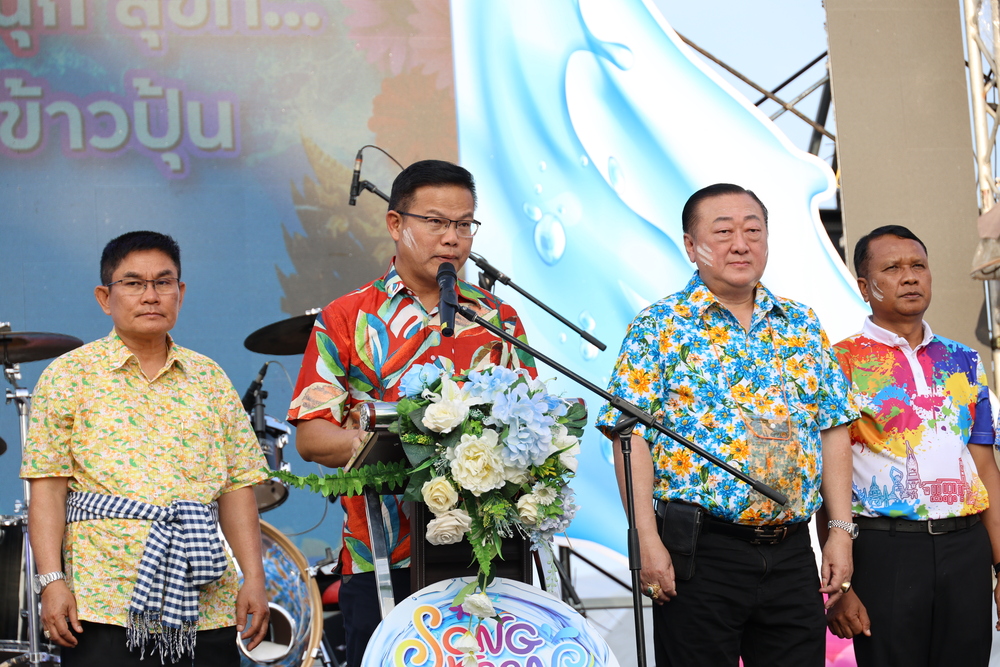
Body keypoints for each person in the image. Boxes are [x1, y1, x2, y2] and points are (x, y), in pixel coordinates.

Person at [595, 183, 858, 667]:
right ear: (691, 246)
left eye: (753, 231)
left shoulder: (800, 323)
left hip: (790, 551)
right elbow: (629, 436)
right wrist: (646, 540)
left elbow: (833, 428)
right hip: (700, 553)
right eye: (723, 233)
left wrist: (839, 531)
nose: (741, 244)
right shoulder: (660, 326)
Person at [287, 159, 535, 667]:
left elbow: (532, 424)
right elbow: (311, 437)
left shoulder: (497, 318)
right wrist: (405, 447)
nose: (452, 238)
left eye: (463, 224)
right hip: (382, 554)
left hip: (487, 551)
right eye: (436, 222)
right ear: (396, 224)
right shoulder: (347, 316)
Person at [20, 231, 270, 667]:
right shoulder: (68, 376)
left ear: (180, 293)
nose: (151, 295)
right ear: (105, 297)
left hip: (204, 596)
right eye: (133, 283)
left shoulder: (209, 378)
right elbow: (48, 490)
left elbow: (236, 488)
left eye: (163, 282)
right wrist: (51, 581)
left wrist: (254, 576)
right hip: (101, 600)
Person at [826, 225, 1000, 666]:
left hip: (966, 548)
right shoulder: (839, 363)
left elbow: (984, 467)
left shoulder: (964, 360)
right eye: (892, 268)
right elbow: (827, 476)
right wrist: (841, 589)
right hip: (884, 552)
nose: (909, 277)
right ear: (864, 286)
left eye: (918, 265)